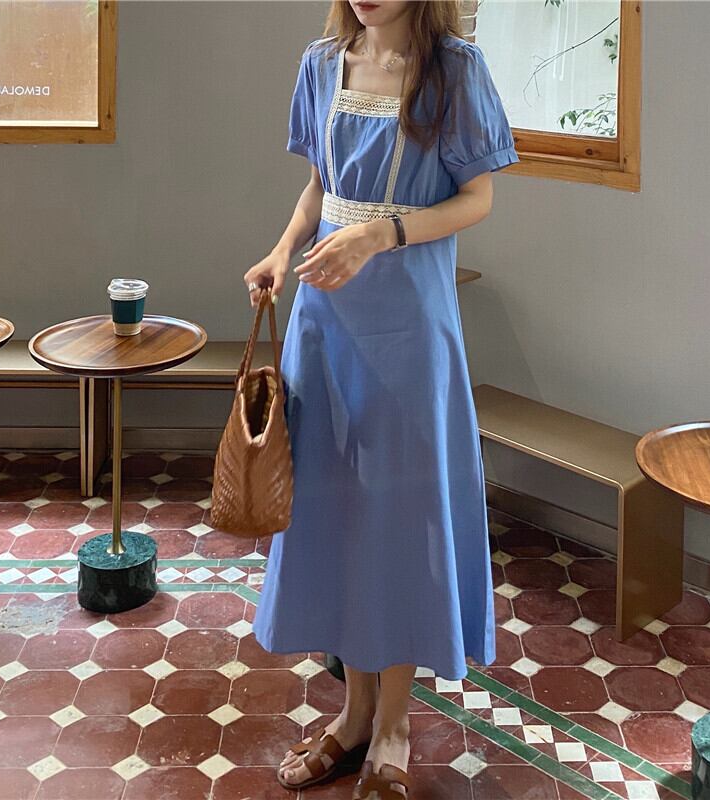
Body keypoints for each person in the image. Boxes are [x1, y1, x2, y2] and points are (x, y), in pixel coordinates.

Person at [245, 1, 519, 797]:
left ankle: (394, 721)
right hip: (324, 320)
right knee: (336, 511)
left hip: (409, 324)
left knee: (401, 518)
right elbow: (319, 187)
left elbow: (477, 199)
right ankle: (354, 714)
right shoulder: (321, 63)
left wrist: (382, 233)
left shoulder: (455, 70)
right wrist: (282, 250)